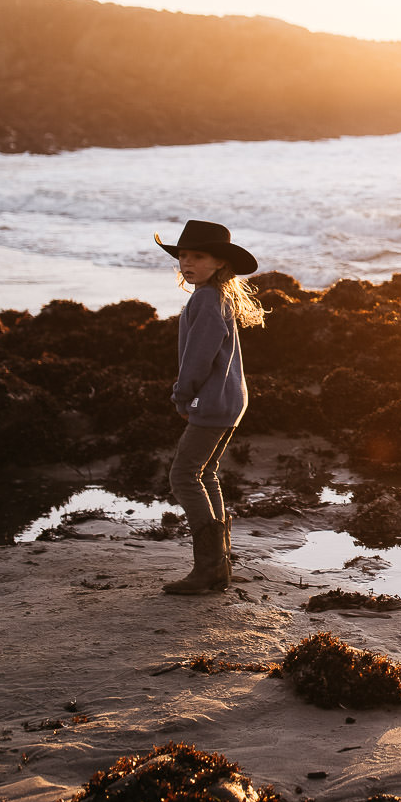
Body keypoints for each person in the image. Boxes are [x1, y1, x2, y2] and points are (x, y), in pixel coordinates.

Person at [154, 219, 265, 596]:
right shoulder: (218, 295)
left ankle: (210, 569)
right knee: (208, 474)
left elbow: (198, 359)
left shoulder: (204, 298)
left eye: (197, 256)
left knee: (183, 476)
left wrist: (182, 396)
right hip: (232, 400)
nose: (187, 262)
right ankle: (222, 563)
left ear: (218, 262)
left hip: (211, 401)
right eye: (183, 255)